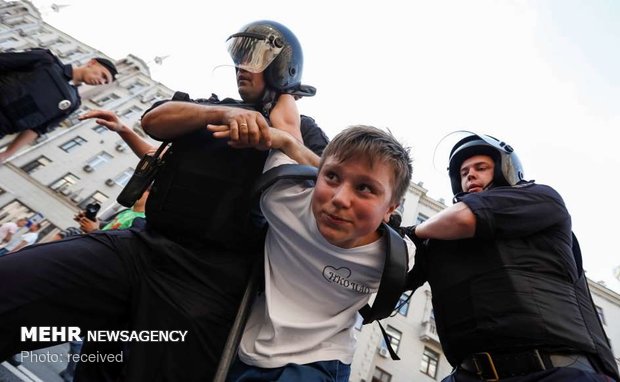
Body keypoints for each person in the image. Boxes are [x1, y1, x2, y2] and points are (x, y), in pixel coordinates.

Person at [0, 20, 328, 381]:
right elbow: (156, 120)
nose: (241, 68)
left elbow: (326, 184)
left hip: (208, 285)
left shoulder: (306, 132)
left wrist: (286, 138)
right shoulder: (211, 108)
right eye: (239, 58)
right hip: (141, 247)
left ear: (283, 67)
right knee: (13, 287)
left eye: (255, 58)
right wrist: (222, 114)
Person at [403, 132, 619, 382]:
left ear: (506, 170)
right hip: (470, 374)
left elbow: (466, 217)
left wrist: (413, 232)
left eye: (480, 168)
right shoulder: (438, 238)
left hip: (556, 372)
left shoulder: (541, 198)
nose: (470, 175)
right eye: (463, 173)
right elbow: (391, 271)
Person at [210, 123, 414, 382]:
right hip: (249, 350)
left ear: (389, 210)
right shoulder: (282, 198)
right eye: (332, 177)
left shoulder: (397, 259)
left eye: (364, 188)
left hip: (322, 362)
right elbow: (285, 122)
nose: (340, 198)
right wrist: (287, 142)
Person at [0, 49, 118, 163]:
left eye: (105, 82)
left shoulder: (73, 103)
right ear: (92, 63)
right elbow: (4, 61)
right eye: (103, 75)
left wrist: (6, 154)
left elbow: (38, 130)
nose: (102, 82)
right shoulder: (46, 60)